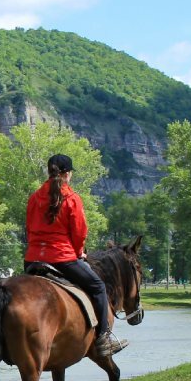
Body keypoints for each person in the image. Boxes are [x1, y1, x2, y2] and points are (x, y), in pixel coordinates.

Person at [24, 153, 128, 357]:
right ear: (67, 174)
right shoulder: (71, 199)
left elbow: (29, 228)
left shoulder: (35, 197)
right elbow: (80, 232)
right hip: (62, 258)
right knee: (98, 287)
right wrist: (79, 252)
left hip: (33, 258)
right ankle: (104, 339)